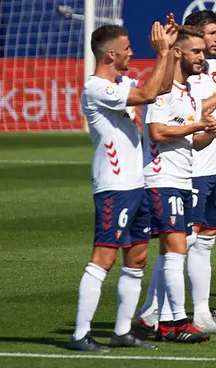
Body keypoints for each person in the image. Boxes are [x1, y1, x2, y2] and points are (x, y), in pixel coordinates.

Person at [135, 15, 216, 335]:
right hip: (186, 170)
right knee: (179, 243)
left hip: (215, 166)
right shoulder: (179, 77)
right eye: (209, 33)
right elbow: (182, 113)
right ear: (190, 40)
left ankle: (201, 314)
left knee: (202, 244)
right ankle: (155, 312)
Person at [70, 19, 176, 352]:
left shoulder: (120, 82)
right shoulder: (96, 88)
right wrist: (161, 53)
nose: (132, 52)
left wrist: (170, 52)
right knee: (103, 256)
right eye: (128, 48)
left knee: (138, 257)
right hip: (114, 186)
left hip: (137, 184)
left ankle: (122, 331)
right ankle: (80, 334)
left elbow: (163, 88)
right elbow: (147, 94)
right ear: (111, 55)